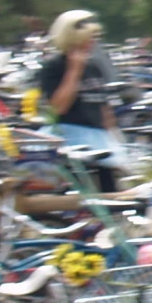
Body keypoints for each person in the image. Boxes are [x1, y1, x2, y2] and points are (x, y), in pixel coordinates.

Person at [36, 10, 126, 192]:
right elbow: (58, 107)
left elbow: (103, 106)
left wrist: (116, 139)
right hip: (71, 139)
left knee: (110, 193)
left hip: (99, 139)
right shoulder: (54, 67)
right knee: (81, 194)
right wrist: (74, 71)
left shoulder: (93, 66)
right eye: (89, 38)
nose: (92, 43)